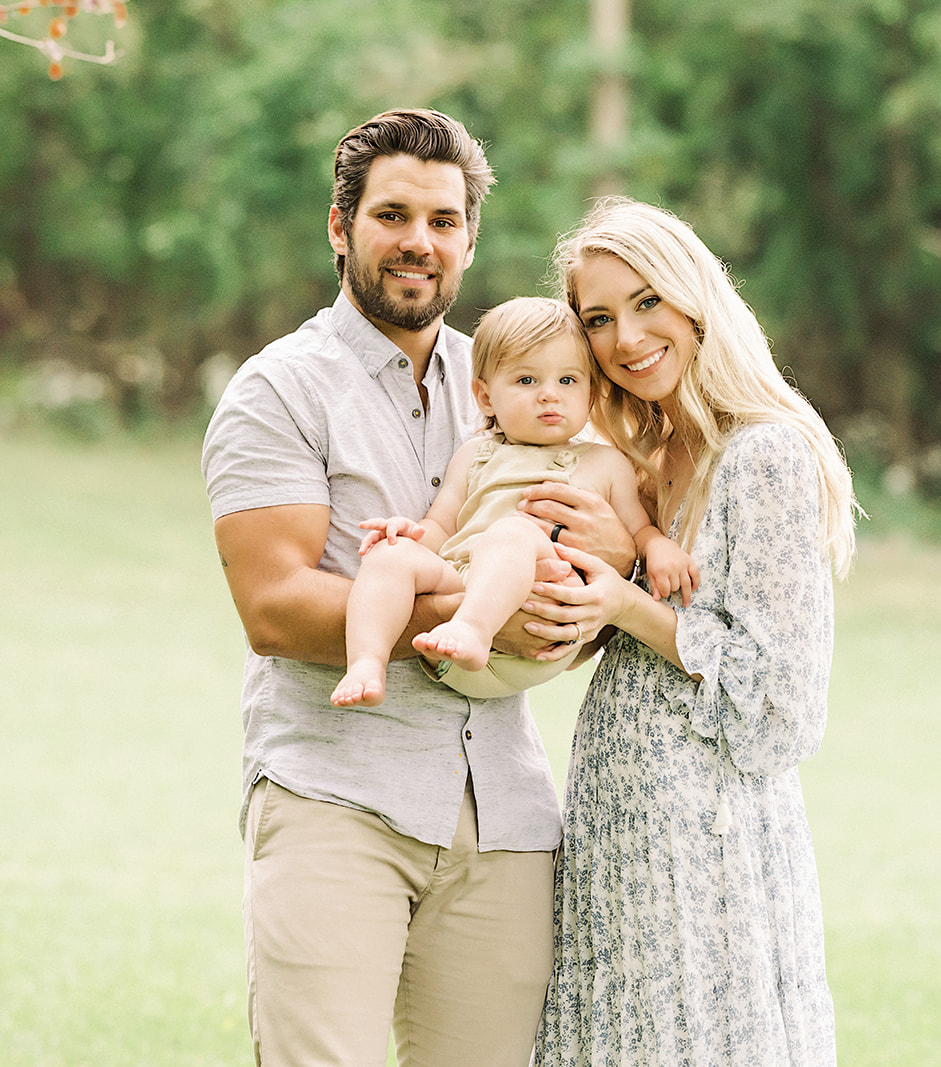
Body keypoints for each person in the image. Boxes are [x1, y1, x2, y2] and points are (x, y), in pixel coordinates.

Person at [200, 108, 636, 1066]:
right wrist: (474, 609)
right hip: (336, 797)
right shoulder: (279, 391)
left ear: (470, 239)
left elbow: (598, 559)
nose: (417, 241)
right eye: (392, 214)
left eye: (443, 221)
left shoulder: (521, 378)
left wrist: (590, 589)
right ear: (340, 226)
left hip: (505, 812)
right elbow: (273, 608)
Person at [519, 196, 859, 1065]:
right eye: (599, 318)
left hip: (709, 839)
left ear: (695, 298)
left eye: (646, 303)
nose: (625, 338)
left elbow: (784, 699)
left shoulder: (766, 452)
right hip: (615, 821)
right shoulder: (638, 459)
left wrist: (627, 596)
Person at [331, 295, 698, 708]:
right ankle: (365, 662)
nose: (549, 395)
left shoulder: (604, 462)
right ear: (486, 398)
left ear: (591, 394)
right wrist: (408, 535)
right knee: (389, 555)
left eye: (567, 381)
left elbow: (637, 530)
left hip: (542, 621)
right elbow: (441, 526)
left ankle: (473, 627)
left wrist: (659, 547)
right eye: (527, 381)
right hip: (457, 614)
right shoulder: (475, 454)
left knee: (513, 533)